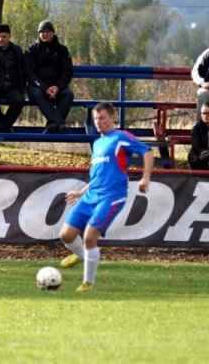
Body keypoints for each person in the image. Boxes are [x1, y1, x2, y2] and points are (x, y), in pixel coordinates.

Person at [59, 102, 154, 292]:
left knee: (89, 237)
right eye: (95, 119)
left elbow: (148, 151)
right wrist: (80, 192)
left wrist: (145, 177)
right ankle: (83, 256)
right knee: (66, 235)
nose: (98, 122)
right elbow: (98, 176)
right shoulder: (97, 143)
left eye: (102, 118)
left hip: (111, 196)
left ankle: (88, 284)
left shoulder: (121, 137)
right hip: (91, 195)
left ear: (112, 118)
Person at [24, 20, 74, 134]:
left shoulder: (62, 50)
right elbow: (29, 73)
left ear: (53, 33)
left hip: (58, 86)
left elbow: (67, 71)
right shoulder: (31, 50)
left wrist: (58, 86)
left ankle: (52, 124)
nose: (44, 34)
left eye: (47, 31)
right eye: (42, 32)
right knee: (36, 93)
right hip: (37, 87)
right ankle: (59, 123)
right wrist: (44, 87)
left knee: (68, 94)